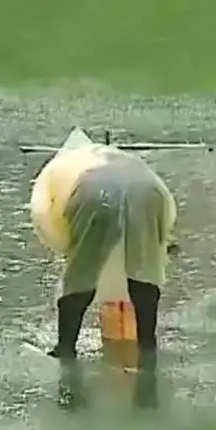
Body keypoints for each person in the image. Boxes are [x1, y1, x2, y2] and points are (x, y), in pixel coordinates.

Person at [30, 131, 177, 408]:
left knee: (81, 271)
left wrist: (76, 253)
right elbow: (162, 229)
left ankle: (65, 347)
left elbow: (48, 223)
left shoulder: (58, 172)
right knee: (145, 267)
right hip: (148, 190)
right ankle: (147, 344)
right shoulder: (115, 159)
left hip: (92, 192)